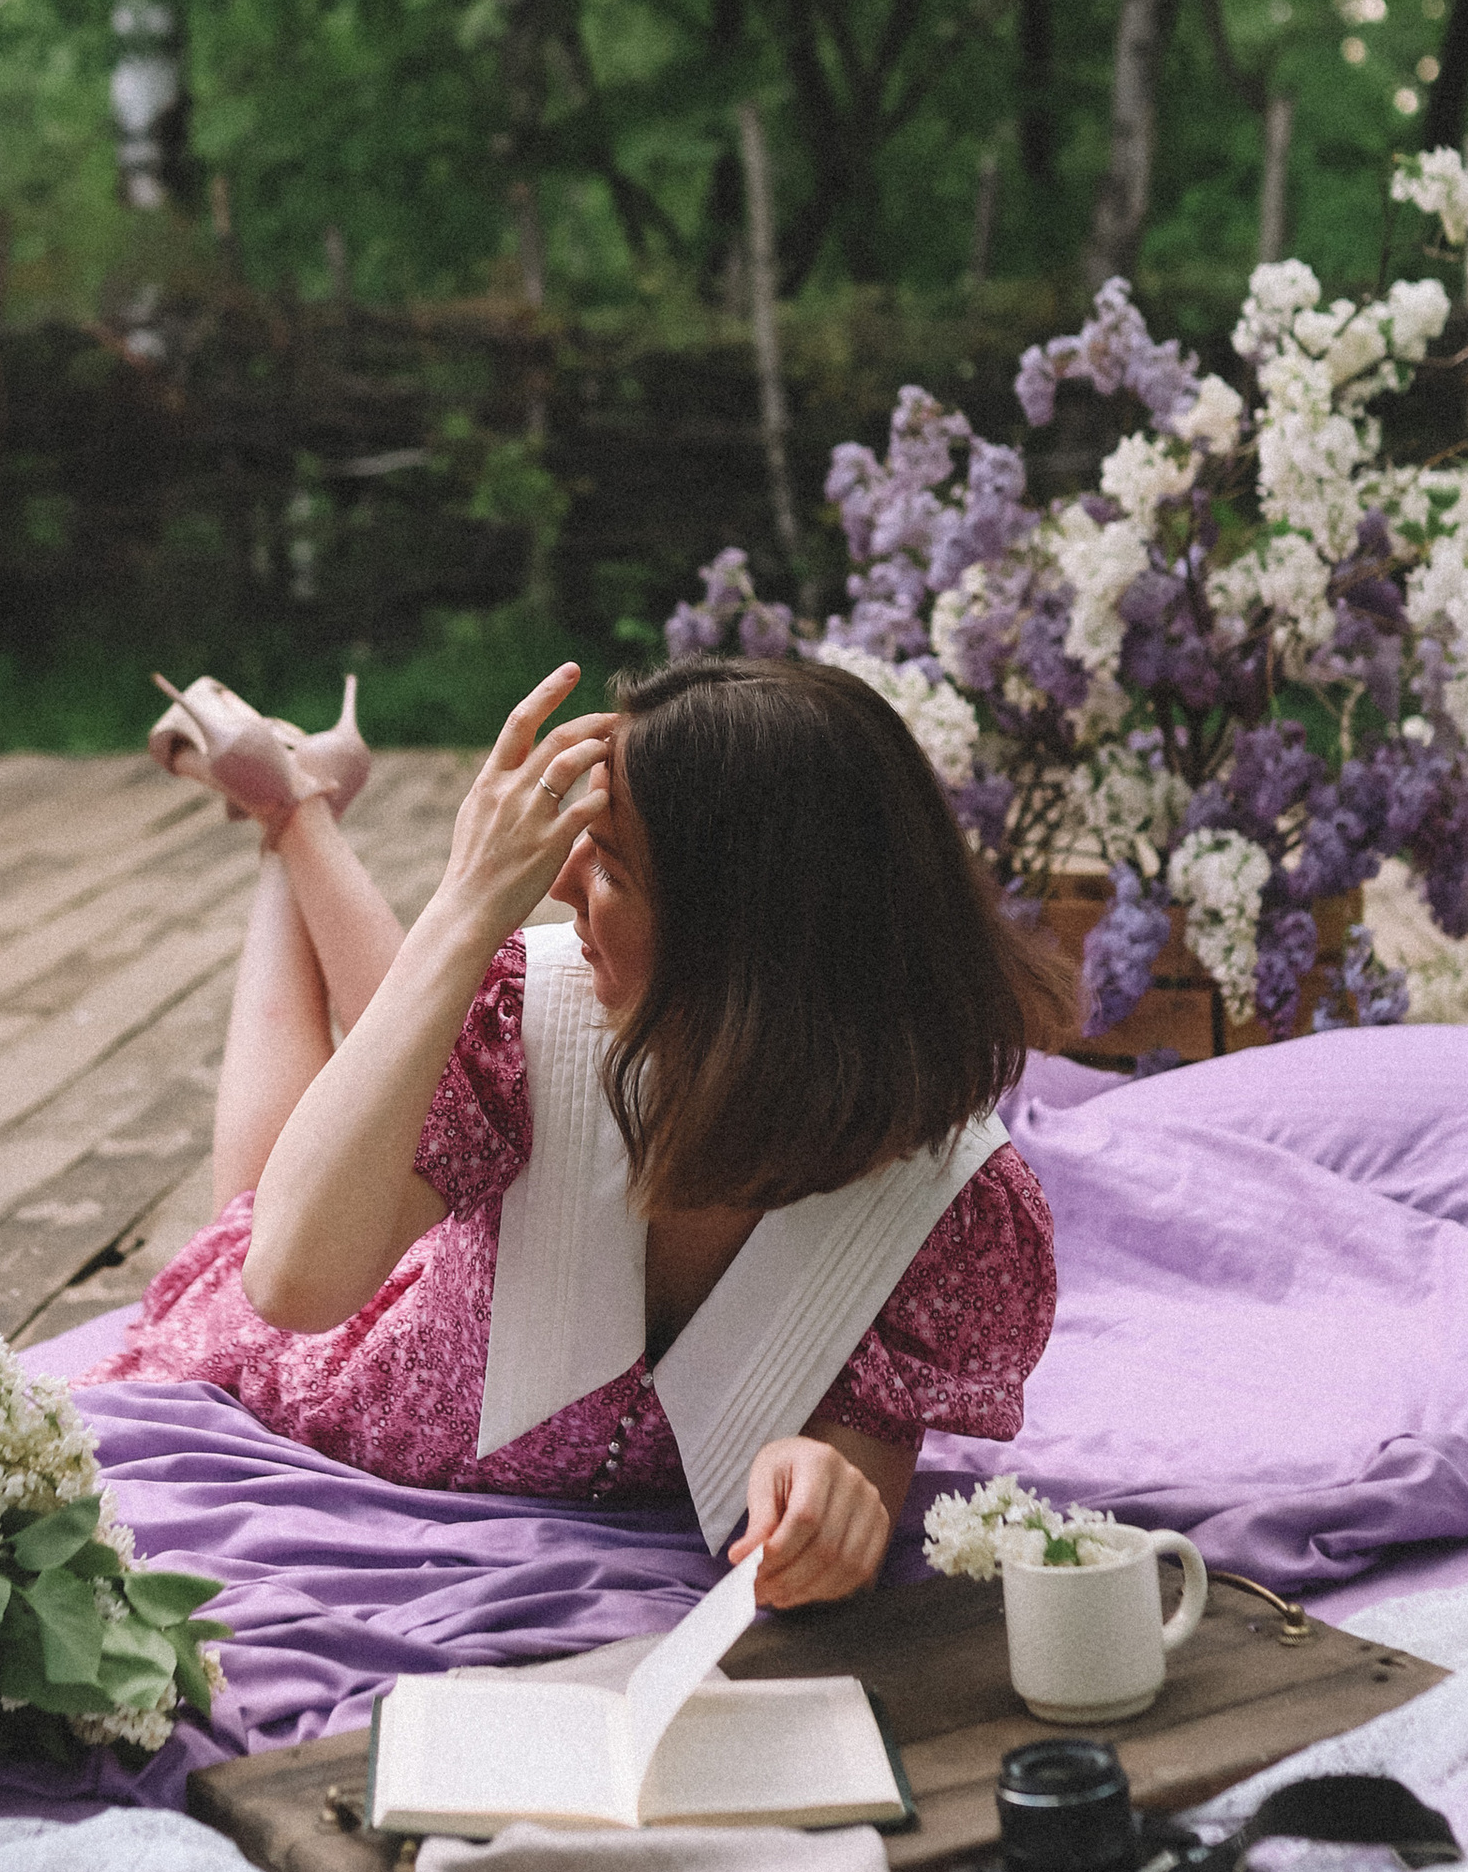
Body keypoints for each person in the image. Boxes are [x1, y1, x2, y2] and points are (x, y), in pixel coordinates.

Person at [103, 653, 1062, 1608]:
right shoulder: (530, 1012)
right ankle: (293, 814)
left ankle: (290, 803)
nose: (562, 884)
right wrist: (468, 903)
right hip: (333, 1378)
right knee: (242, 1222)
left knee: (370, 1094)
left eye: (608, 864)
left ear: (739, 945)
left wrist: (830, 1501)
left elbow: (849, 1460)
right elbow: (290, 1283)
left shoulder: (957, 1211)